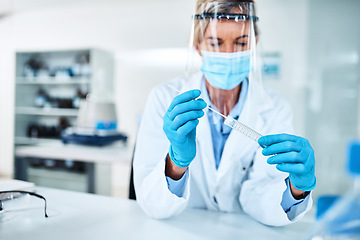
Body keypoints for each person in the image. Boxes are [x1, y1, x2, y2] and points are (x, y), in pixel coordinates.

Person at [133, 0, 316, 226]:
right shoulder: (164, 99)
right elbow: (152, 203)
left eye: (241, 42)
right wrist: (176, 163)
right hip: (183, 230)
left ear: (254, 44)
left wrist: (296, 189)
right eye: (215, 42)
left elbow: (262, 193)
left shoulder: (275, 108)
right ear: (198, 45)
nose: (228, 53)